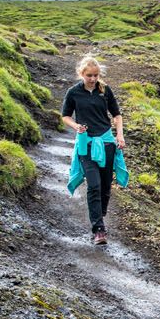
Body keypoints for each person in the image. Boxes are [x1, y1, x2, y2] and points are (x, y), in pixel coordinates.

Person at [63, 55, 128, 245]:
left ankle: (99, 213)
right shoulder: (73, 92)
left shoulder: (105, 90)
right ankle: (99, 230)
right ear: (81, 74)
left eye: (96, 75)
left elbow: (117, 114)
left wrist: (120, 135)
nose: (93, 79)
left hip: (107, 142)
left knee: (106, 187)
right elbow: (65, 116)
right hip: (86, 143)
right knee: (94, 185)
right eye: (89, 75)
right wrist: (75, 126)